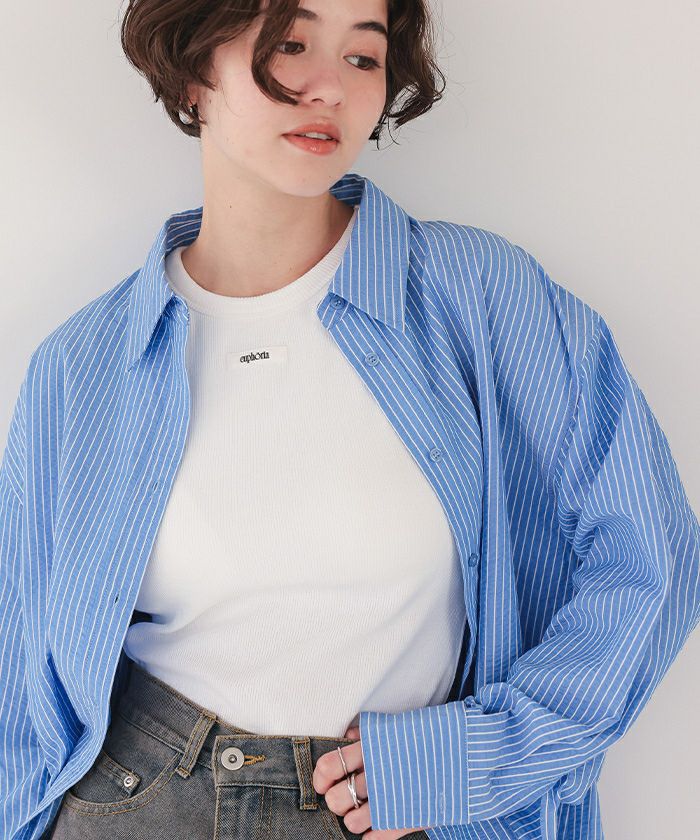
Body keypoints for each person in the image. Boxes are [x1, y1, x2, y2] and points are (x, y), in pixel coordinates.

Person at [1, 1, 698, 839]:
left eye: (364, 58)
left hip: (404, 814)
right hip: (138, 806)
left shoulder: (480, 296)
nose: (330, 87)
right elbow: (20, 691)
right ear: (192, 72)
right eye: (291, 44)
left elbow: (653, 560)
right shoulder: (83, 366)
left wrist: (474, 759)